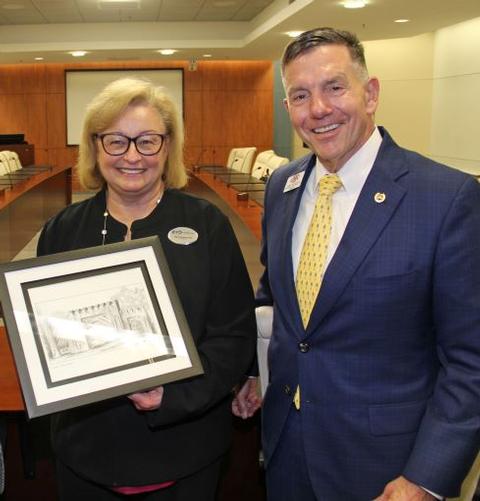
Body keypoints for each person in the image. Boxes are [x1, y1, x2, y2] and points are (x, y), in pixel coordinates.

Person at [233, 27, 480, 500]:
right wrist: (250, 368)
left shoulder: (446, 198)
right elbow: (276, 295)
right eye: (300, 95)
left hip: (386, 468)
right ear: (289, 109)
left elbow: (470, 361)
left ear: (371, 93)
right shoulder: (283, 186)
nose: (319, 109)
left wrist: (426, 478)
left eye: (334, 87)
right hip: (286, 448)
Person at [37, 77, 256, 500]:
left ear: (168, 146)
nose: (132, 156)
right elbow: (45, 335)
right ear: (95, 146)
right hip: (85, 450)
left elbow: (234, 336)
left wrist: (173, 395)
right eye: (116, 141)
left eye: (147, 141)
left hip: (186, 446)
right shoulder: (62, 230)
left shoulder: (206, 225)